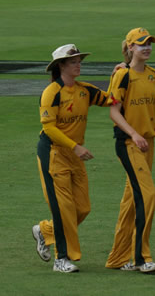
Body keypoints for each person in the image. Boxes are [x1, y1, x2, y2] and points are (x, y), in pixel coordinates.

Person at [105, 28, 155, 273]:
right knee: (147, 195)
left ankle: (118, 258)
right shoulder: (122, 75)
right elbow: (113, 111)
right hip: (129, 143)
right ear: (130, 48)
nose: (147, 47)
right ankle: (142, 258)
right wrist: (133, 133)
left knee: (132, 199)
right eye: (141, 44)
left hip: (148, 143)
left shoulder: (154, 75)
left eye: (149, 43)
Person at [32, 44, 109, 273]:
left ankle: (45, 231)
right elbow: (49, 128)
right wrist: (75, 147)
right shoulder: (52, 92)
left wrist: (122, 71)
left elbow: (111, 99)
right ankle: (61, 259)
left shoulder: (85, 90)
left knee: (83, 208)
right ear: (61, 66)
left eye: (79, 60)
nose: (78, 64)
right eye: (73, 61)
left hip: (74, 155)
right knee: (64, 208)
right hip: (54, 153)